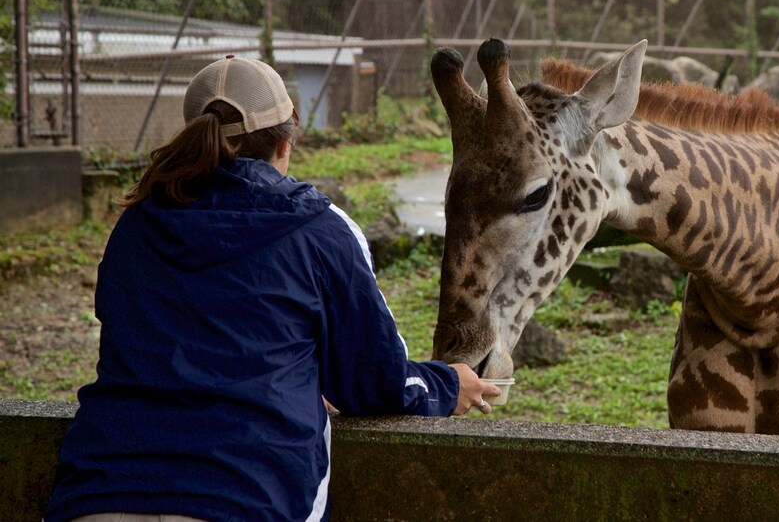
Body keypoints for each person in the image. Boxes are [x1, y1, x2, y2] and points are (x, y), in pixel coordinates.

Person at [45, 55, 499, 522]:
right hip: (247, 496)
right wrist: (447, 383)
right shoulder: (319, 229)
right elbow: (372, 381)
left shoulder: (136, 224)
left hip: (98, 493)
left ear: (191, 137)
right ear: (286, 143)